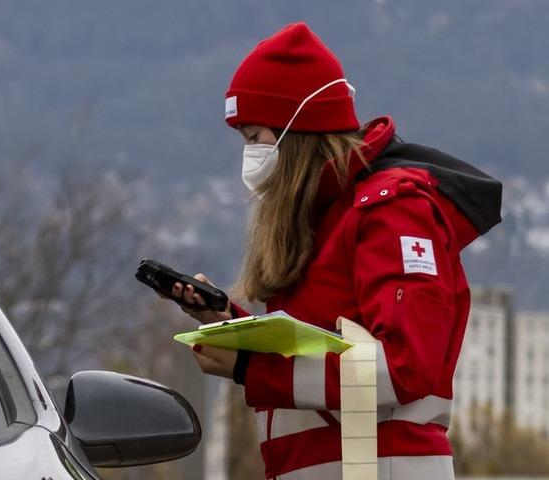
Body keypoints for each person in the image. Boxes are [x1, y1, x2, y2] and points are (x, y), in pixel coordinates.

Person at [164, 22, 502, 479]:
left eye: (254, 137)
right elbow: (322, 340)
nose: (249, 154)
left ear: (297, 132)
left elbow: (406, 364)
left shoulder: (392, 211)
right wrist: (233, 325)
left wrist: (255, 369)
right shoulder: (327, 219)